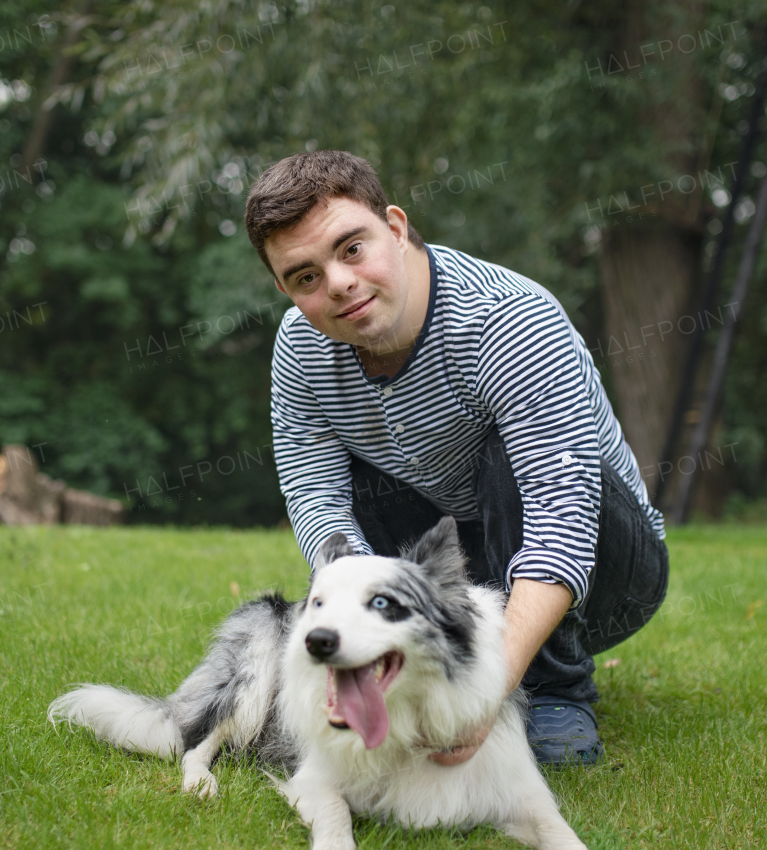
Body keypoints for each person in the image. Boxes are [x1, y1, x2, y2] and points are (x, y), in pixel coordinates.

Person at [246, 150, 669, 767]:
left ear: (394, 226)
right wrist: (366, 632)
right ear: (284, 289)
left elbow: (562, 523)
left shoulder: (507, 320)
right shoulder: (302, 350)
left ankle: (555, 688)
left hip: (608, 570)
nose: (337, 283)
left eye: (351, 248)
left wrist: (483, 697)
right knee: (357, 484)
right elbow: (318, 498)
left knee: (499, 453)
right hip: (463, 554)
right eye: (305, 277)